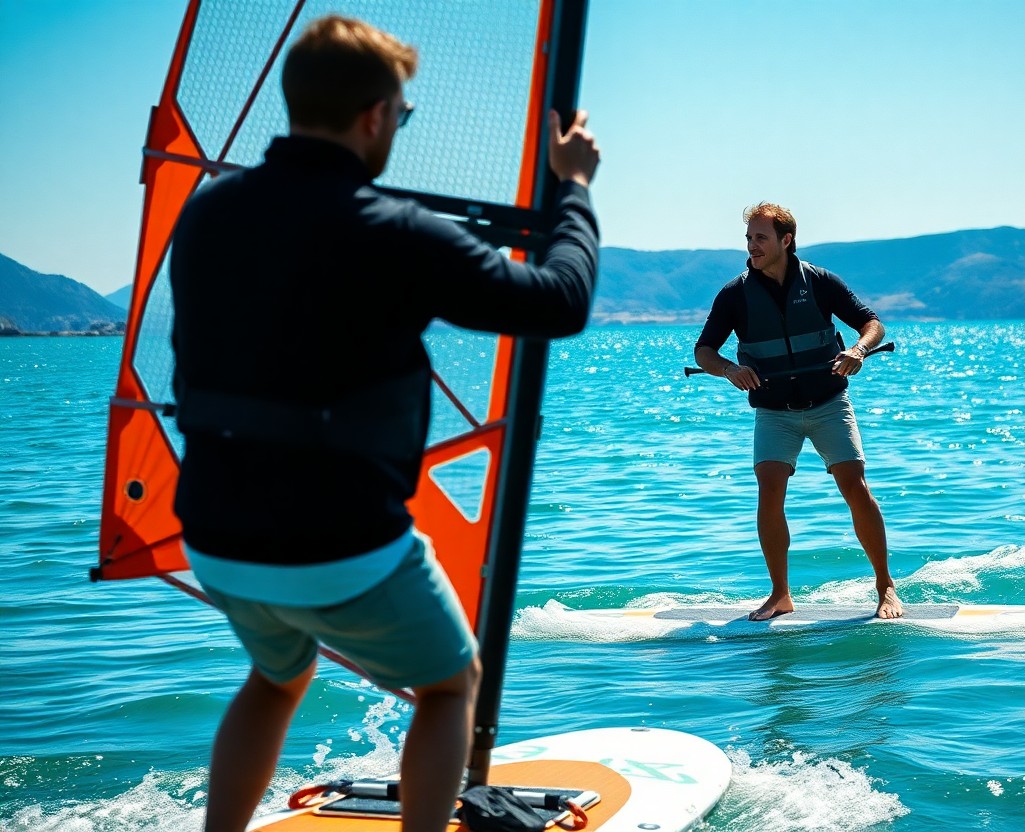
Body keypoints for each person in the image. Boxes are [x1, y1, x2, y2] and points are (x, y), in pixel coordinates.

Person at [168, 15, 600, 832]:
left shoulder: (208, 211)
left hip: (217, 539)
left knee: (274, 677)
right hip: (339, 547)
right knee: (449, 684)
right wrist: (573, 188)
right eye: (401, 117)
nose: (397, 131)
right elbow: (558, 302)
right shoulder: (393, 231)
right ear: (373, 116)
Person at [693, 202, 902, 622]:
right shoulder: (734, 295)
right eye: (749, 238)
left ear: (786, 240)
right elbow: (703, 352)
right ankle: (780, 594)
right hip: (774, 411)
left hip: (828, 404)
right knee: (769, 486)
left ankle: (886, 587)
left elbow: (872, 323)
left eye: (760, 238)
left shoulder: (822, 282)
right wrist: (730, 370)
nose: (752, 246)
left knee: (854, 484)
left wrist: (859, 350)